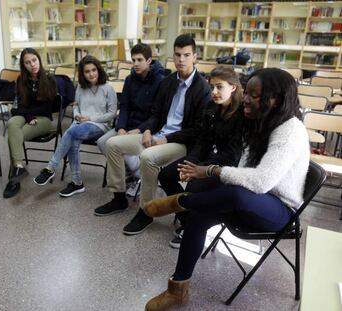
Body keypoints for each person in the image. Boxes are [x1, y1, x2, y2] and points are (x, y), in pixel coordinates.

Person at [143, 68, 310, 311]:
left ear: (276, 99)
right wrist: (213, 173)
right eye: (247, 92)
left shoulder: (290, 130)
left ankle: (182, 202)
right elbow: (243, 168)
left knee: (233, 192)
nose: (246, 98)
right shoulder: (259, 122)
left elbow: (261, 182)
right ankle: (177, 289)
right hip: (250, 199)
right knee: (199, 218)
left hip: (279, 210)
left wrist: (212, 170)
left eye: (254, 95)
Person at [94, 34, 212, 236]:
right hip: (157, 134)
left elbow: (197, 130)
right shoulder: (168, 82)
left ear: (195, 57)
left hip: (180, 142)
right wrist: (147, 129)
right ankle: (119, 198)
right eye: (177, 55)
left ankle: (146, 210)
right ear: (173, 56)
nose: (181, 60)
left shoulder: (203, 88)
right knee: (112, 144)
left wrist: (165, 138)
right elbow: (156, 114)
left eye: (186, 55)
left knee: (148, 158)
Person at [158, 66, 244, 248]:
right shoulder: (212, 106)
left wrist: (199, 170)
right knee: (165, 175)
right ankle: (187, 220)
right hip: (207, 160)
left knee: (194, 185)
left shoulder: (241, 114)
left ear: (233, 87)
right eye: (212, 86)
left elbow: (231, 156)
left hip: (227, 168)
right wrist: (191, 163)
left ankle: (192, 229)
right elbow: (203, 140)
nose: (214, 92)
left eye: (219, 87)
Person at [34, 55, 117, 197]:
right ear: (82, 74)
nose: (91, 74)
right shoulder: (80, 87)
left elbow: (112, 113)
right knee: (73, 139)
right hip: (80, 124)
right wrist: (77, 115)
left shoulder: (108, 88)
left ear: (99, 70)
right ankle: (77, 183)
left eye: (94, 70)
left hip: (100, 125)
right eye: (87, 71)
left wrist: (89, 118)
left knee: (71, 133)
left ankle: (51, 167)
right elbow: (76, 106)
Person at [96, 43, 165, 196]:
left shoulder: (160, 81)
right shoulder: (129, 79)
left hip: (147, 128)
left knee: (118, 146)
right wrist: (121, 127)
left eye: (139, 60)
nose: (135, 64)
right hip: (127, 126)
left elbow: (157, 114)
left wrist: (138, 130)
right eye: (133, 60)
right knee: (102, 142)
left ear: (149, 61)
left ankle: (138, 176)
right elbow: (125, 106)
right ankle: (129, 173)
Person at [3, 48, 57, 198]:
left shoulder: (50, 80)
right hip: (27, 116)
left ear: (39, 59)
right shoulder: (21, 80)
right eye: (27, 62)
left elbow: (47, 107)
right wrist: (28, 117)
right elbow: (19, 106)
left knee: (14, 137)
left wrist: (28, 114)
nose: (32, 64)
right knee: (13, 123)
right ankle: (19, 168)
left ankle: (14, 180)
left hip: (44, 120)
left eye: (34, 60)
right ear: (23, 65)